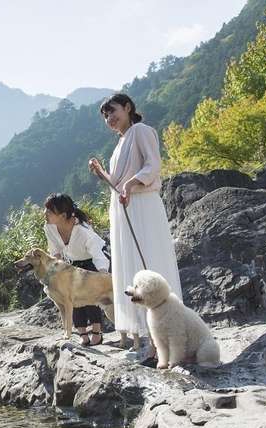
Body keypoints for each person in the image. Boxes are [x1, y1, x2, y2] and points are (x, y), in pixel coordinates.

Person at [89, 93, 183, 356]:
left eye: (113, 111)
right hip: (125, 209)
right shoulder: (119, 144)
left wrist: (130, 184)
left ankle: (163, 338)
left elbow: (153, 165)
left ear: (128, 107)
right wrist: (102, 174)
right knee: (131, 268)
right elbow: (118, 183)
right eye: (106, 115)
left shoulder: (141, 131)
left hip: (143, 206)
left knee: (148, 263)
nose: (110, 118)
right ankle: (149, 339)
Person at [43, 193, 110, 346]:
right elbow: (55, 249)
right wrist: (57, 268)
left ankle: (97, 333)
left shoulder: (83, 230)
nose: (45, 213)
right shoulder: (49, 227)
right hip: (71, 264)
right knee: (71, 297)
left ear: (63, 215)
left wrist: (101, 274)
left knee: (89, 297)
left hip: (92, 263)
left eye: (49, 211)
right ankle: (82, 333)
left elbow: (98, 253)